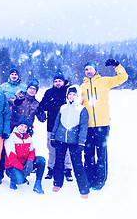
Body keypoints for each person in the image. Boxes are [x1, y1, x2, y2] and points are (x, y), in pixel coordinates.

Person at [80, 59, 128, 190]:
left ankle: (100, 180)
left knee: (101, 153)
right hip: (88, 126)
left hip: (103, 124)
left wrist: (117, 65)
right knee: (88, 153)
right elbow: (79, 106)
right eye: (86, 69)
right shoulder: (82, 87)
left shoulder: (104, 82)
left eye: (90, 68)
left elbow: (123, 77)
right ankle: (89, 178)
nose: (88, 71)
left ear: (95, 70)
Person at [50, 85, 90, 198]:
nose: (71, 96)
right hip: (60, 139)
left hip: (74, 142)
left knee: (77, 165)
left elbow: (83, 127)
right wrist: (53, 136)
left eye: (74, 94)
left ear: (77, 96)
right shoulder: (63, 107)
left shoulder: (81, 109)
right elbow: (57, 123)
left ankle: (83, 189)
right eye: (70, 94)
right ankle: (57, 183)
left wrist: (81, 143)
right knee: (58, 162)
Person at [40, 69, 73, 181]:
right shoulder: (49, 92)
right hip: (52, 124)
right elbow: (43, 106)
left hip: (66, 125)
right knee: (51, 147)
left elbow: (75, 104)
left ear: (64, 81)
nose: (58, 83)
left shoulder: (69, 91)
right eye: (56, 81)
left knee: (66, 147)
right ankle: (51, 168)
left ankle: (67, 169)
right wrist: (50, 104)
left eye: (60, 81)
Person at [0, 66, 26, 185]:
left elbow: (26, 101)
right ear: (9, 76)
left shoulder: (22, 87)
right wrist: (13, 100)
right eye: (12, 74)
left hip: (18, 122)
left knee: (19, 149)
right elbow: (0, 101)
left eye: (16, 74)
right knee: (2, 149)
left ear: (18, 76)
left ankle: (18, 173)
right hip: (6, 120)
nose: (14, 76)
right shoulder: (3, 87)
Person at [4, 116, 45, 194]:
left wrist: (30, 161)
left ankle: (38, 185)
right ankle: (14, 179)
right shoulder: (11, 137)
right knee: (19, 180)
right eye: (21, 125)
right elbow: (11, 158)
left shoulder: (28, 138)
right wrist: (22, 169)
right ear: (17, 126)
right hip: (12, 167)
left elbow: (32, 151)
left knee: (41, 160)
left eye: (25, 127)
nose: (23, 128)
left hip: (24, 164)